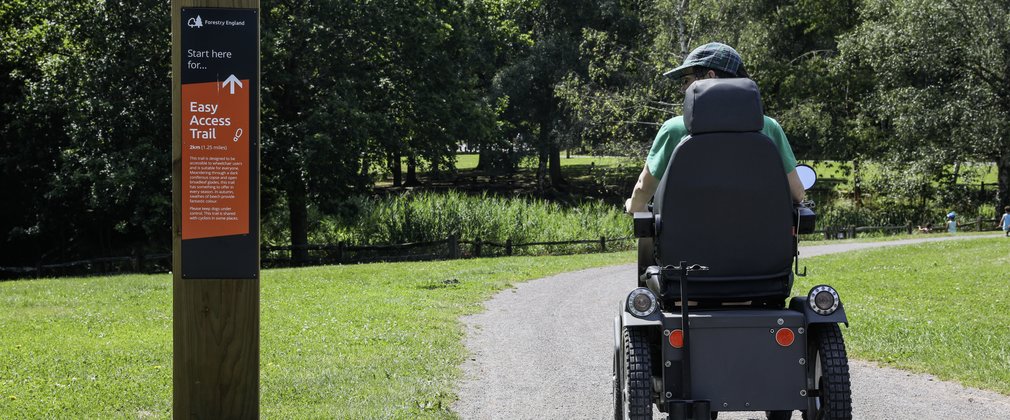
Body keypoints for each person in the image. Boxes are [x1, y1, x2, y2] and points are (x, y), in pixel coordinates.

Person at [624, 42, 805, 213]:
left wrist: (633, 205)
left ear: (710, 76)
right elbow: (797, 194)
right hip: (757, 242)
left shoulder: (674, 129)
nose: (682, 89)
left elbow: (643, 188)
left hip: (685, 243)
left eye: (686, 80)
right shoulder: (768, 128)